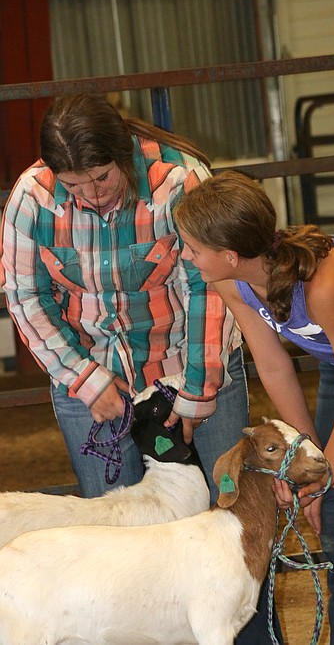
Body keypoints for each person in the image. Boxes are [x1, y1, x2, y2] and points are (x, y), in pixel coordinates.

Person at [0, 96, 284, 645]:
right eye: (73, 185)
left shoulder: (178, 181)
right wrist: (84, 377)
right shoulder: (31, 197)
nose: (90, 195)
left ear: (123, 156)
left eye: (101, 178)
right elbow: (25, 294)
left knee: (238, 522)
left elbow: (210, 286)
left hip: (190, 367)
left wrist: (198, 390)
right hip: (90, 377)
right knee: (110, 556)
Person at [174, 169, 334, 645]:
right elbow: (275, 368)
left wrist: (325, 470)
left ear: (229, 254)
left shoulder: (322, 284)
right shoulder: (233, 283)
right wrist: (315, 467)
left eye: (192, 248)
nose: (186, 256)